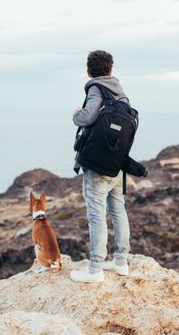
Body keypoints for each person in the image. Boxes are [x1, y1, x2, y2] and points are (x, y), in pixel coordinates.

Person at [70, 50, 131, 283]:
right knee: (118, 209)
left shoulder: (96, 89)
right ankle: (121, 261)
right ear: (111, 69)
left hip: (97, 165)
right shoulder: (121, 93)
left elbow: (87, 118)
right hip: (117, 163)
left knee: (96, 214)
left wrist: (76, 114)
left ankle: (95, 269)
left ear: (88, 71)